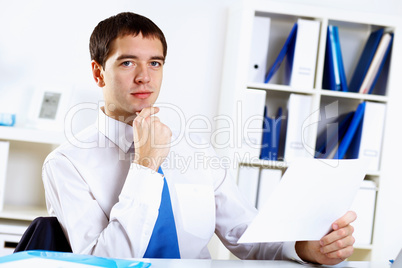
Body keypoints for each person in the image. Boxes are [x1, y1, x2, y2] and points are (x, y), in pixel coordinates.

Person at [42, 12, 356, 265]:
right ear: (98, 73)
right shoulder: (66, 164)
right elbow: (102, 261)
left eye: (155, 62)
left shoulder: (196, 149)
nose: (144, 76)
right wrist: (145, 167)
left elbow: (244, 235)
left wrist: (304, 248)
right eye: (127, 62)